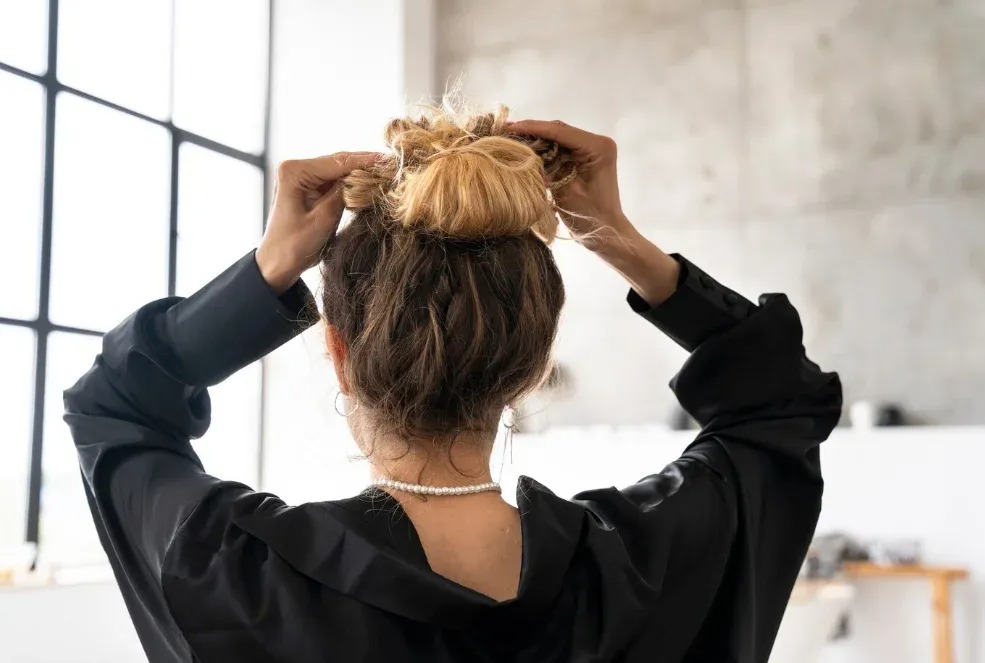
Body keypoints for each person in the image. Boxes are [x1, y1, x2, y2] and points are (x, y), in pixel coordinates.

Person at [65, 108, 842, 663]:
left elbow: (113, 405)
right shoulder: (649, 562)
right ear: (534, 361)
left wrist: (267, 272)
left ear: (338, 350)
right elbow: (777, 400)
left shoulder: (234, 571)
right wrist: (621, 238)